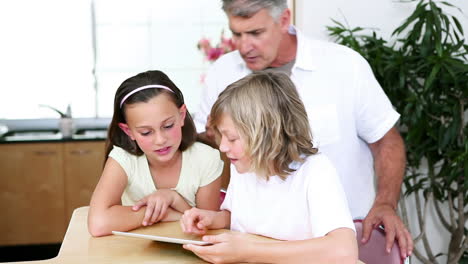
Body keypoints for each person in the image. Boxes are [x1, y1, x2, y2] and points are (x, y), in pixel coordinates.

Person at [194, 0, 413, 258]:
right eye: (236, 34)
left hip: (339, 236)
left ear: (284, 20)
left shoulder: (344, 66)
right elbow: (209, 150)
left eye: (255, 33)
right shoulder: (224, 72)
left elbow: (386, 139)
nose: (244, 46)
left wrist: (386, 203)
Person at [182, 71, 358, 264]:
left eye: (232, 138)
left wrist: (248, 251)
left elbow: (344, 251)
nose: (223, 147)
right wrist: (213, 219)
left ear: (266, 135)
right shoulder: (244, 164)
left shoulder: (315, 171)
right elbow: (238, 216)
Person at [88, 70, 223, 237]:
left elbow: (206, 227)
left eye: (167, 126)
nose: (160, 140)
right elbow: (98, 224)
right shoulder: (122, 159)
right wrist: (164, 214)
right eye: (146, 132)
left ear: (181, 116)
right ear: (128, 131)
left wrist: (174, 199)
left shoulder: (206, 158)